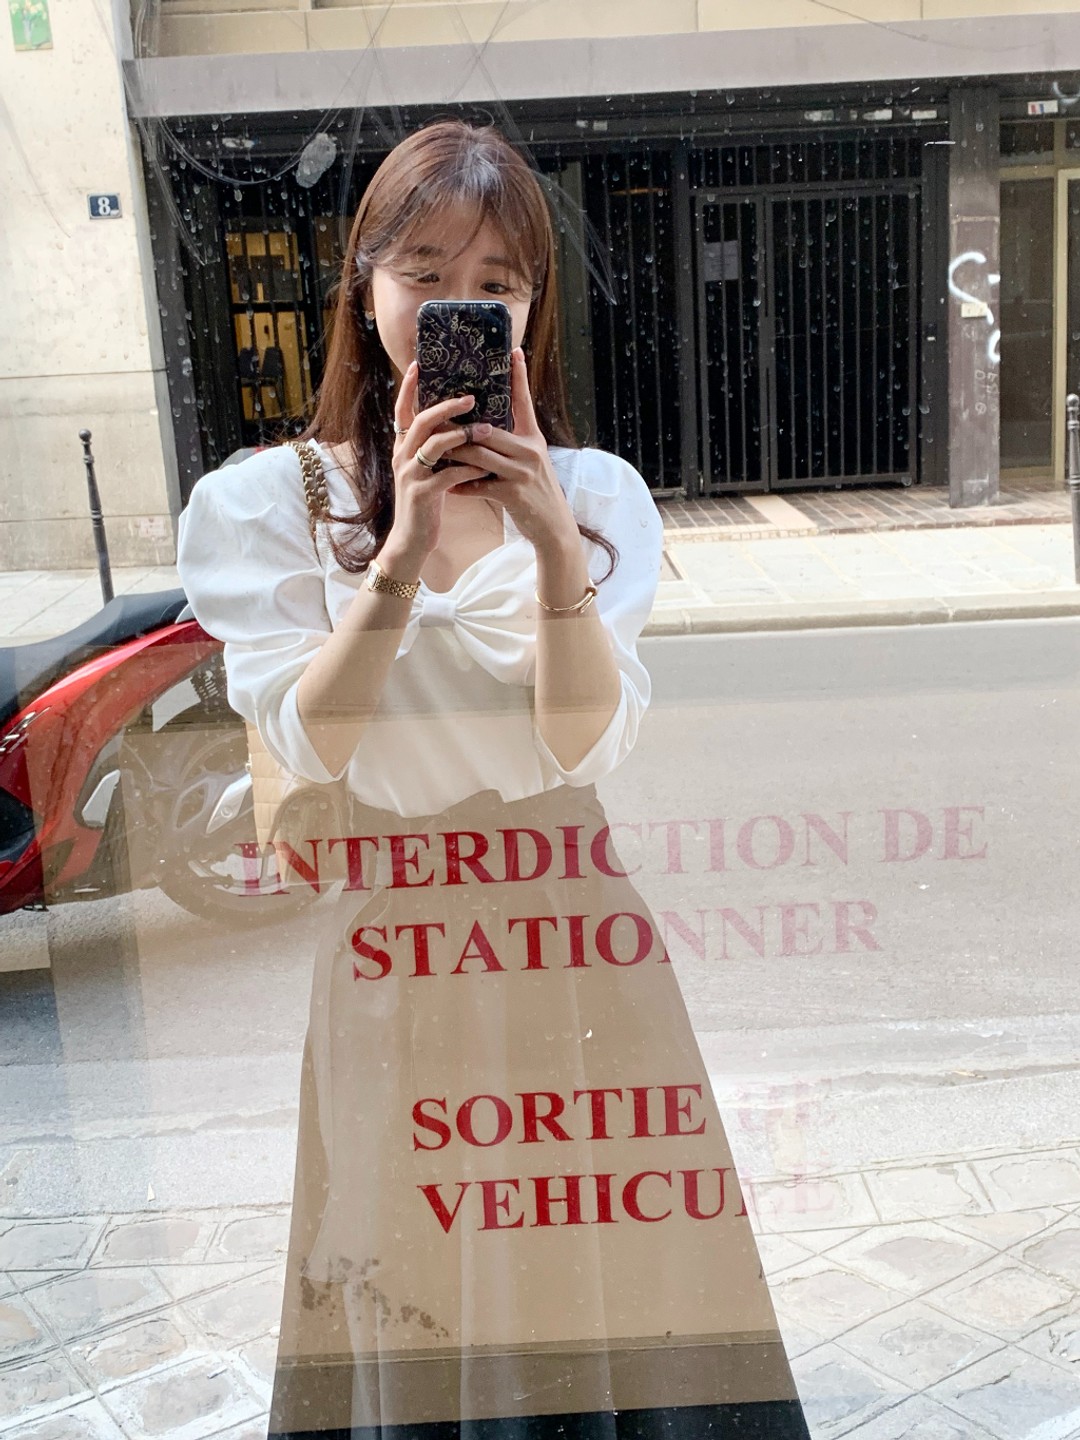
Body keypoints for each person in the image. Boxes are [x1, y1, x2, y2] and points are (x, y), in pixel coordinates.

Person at [177, 120, 809, 1440]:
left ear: (530, 311)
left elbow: (583, 745)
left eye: (496, 285)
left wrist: (548, 543)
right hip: (396, 939)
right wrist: (401, 550)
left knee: (606, 1267)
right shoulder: (271, 505)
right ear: (364, 286)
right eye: (423, 274)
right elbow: (312, 741)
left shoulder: (595, 494)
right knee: (408, 1259)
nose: (456, 307)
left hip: (570, 932)